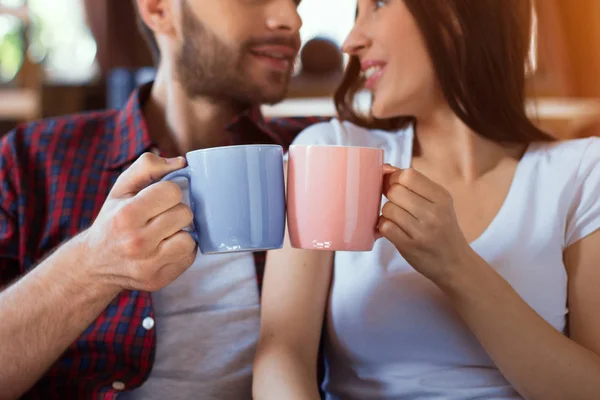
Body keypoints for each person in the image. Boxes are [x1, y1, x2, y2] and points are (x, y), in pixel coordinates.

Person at [253, 0, 600, 399]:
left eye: (378, 5)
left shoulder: (582, 173)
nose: (350, 41)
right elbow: (282, 357)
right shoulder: (332, 152)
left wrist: (455, 265)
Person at [0, 0, 322, 398]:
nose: (291, 19)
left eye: (296, 1)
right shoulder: (33, 162)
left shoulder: (322, 156)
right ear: (158, 10)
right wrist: (92, 264)